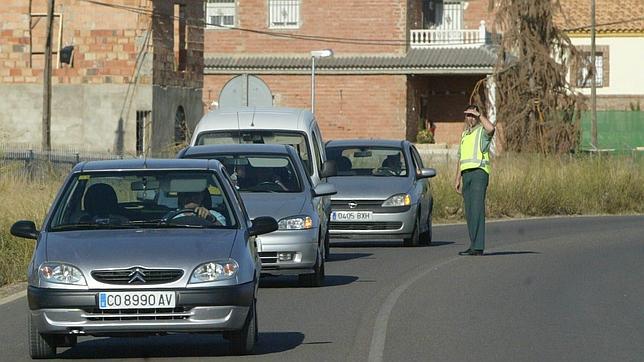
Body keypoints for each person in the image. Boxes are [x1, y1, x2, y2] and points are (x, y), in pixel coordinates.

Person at [454, 104, 495, 256]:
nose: (470, 118)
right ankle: (473, 244)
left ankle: (478, 246)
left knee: (477, 209)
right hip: (466, 175)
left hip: (479, 172)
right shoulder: (464, 135)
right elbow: (460, 157)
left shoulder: (481, 132)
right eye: (468, 115)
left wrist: (480, 115)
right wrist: (457, 178)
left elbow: (491, 128)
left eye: (473, 115)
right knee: (470, 211)